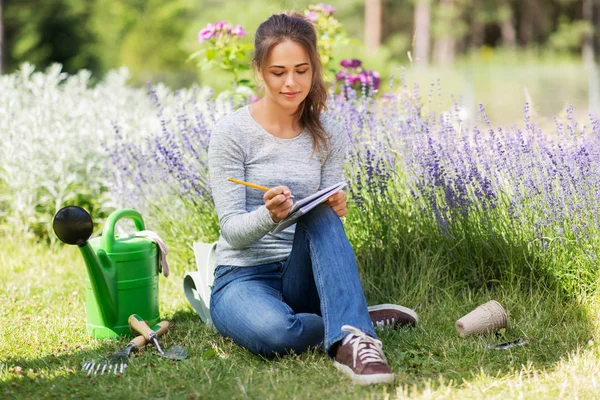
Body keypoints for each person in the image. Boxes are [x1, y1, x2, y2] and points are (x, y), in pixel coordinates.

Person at [207, 12, 418, 386]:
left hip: (301, 278)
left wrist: (337, 207)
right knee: (278, 335)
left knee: (320, 212)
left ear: (314, 68)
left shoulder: (329, 133)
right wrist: (269, 216)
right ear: (259, 70)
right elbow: (232, 233)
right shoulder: (232, 133)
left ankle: (354, 337)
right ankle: (348, 313)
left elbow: (325, 231)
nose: (291, 82)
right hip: (242, 277)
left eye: (302, 70)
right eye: (278, 72)